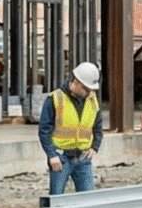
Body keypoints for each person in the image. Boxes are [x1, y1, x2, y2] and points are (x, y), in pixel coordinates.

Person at [39, 61, 103, 196]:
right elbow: (44, 131)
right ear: (76, 82)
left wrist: (95, 146)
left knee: (88, 199)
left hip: (83, 157)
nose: (89, 92)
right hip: (61, 157)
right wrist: (52, 155)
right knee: (56, 199)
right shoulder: (55, 99)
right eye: (86, 88)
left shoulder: (92, 99)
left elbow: (98, 126)